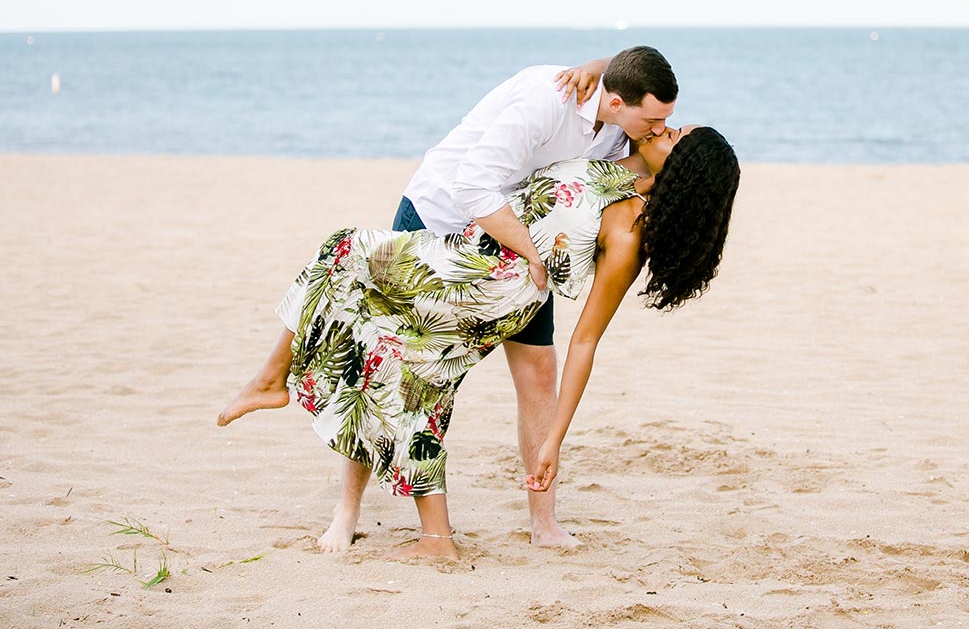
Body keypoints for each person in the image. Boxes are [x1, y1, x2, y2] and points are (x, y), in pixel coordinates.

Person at [217, 124, 741, 561]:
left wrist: (553, 442)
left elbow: (585, 342)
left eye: (677, 137)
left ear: (684, 172)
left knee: (346, 248)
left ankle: (270, 379)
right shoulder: (615, 168)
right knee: (413, 380)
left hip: (489, 286)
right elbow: (613, 92)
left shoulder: (627, 235)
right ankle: (437, 540)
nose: (665, 129)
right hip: (467, 253)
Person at [374, 45, 679, 550]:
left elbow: (630, 82)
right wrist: (532, 255)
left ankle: (544, 523)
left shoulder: (620, 119)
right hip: (440, 218)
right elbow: (473, 185)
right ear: (619, 102)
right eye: (653, 119)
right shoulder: (548, 99)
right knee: (407, 369)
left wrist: (600, 65)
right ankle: (349, 509)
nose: (659, 127)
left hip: (515, 240)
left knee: (539, 372)